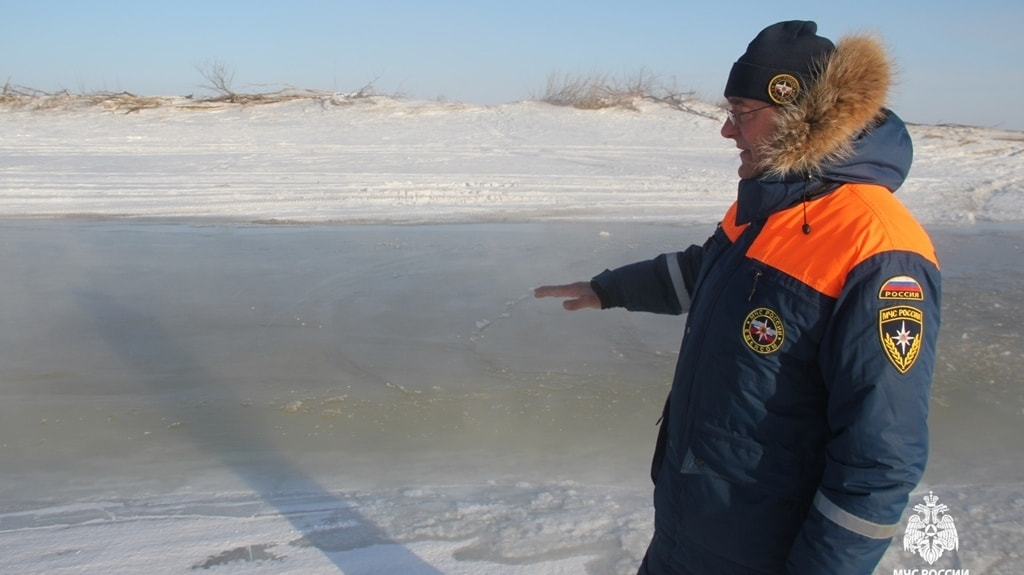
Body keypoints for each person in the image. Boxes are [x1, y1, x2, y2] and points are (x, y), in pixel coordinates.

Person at [535, 20, 941, 574]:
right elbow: (707, 270)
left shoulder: (879, 250)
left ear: (802, 116)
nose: (728, 131)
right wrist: (607, 289)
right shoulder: (773, 205)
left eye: (741, 112)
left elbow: (881, 459)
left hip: (766, 549)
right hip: (693, 523)